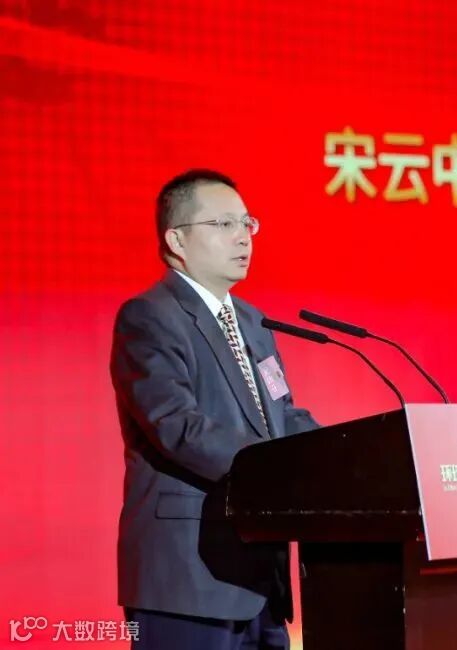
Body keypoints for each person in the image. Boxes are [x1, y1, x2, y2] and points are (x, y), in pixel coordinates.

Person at [110, 169, 319, 649]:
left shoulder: (252, 321)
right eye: (224, 224)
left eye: (247, 223)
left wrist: (346, 455)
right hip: (188, 576)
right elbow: (177, 426)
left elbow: (282, 416)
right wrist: (276, 469)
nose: (243, 237)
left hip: (262, 580)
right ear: (177, 239)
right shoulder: (149, 316)